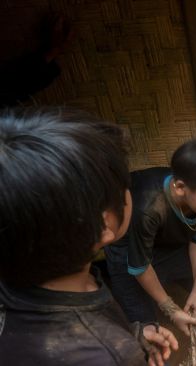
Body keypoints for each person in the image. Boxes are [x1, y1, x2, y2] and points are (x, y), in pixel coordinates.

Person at [0, 107, 178, 365]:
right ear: (105, 223)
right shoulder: (110, 356)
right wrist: (122, 347)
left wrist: (133, 334)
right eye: (126, 185)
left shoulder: (17, 282)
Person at [104, 138, 196, 335]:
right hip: (128, 250)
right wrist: (172, 310)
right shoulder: (149, 209)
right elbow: (139, 267)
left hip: (166, 242)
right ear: (180, 188)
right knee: (142, 319)